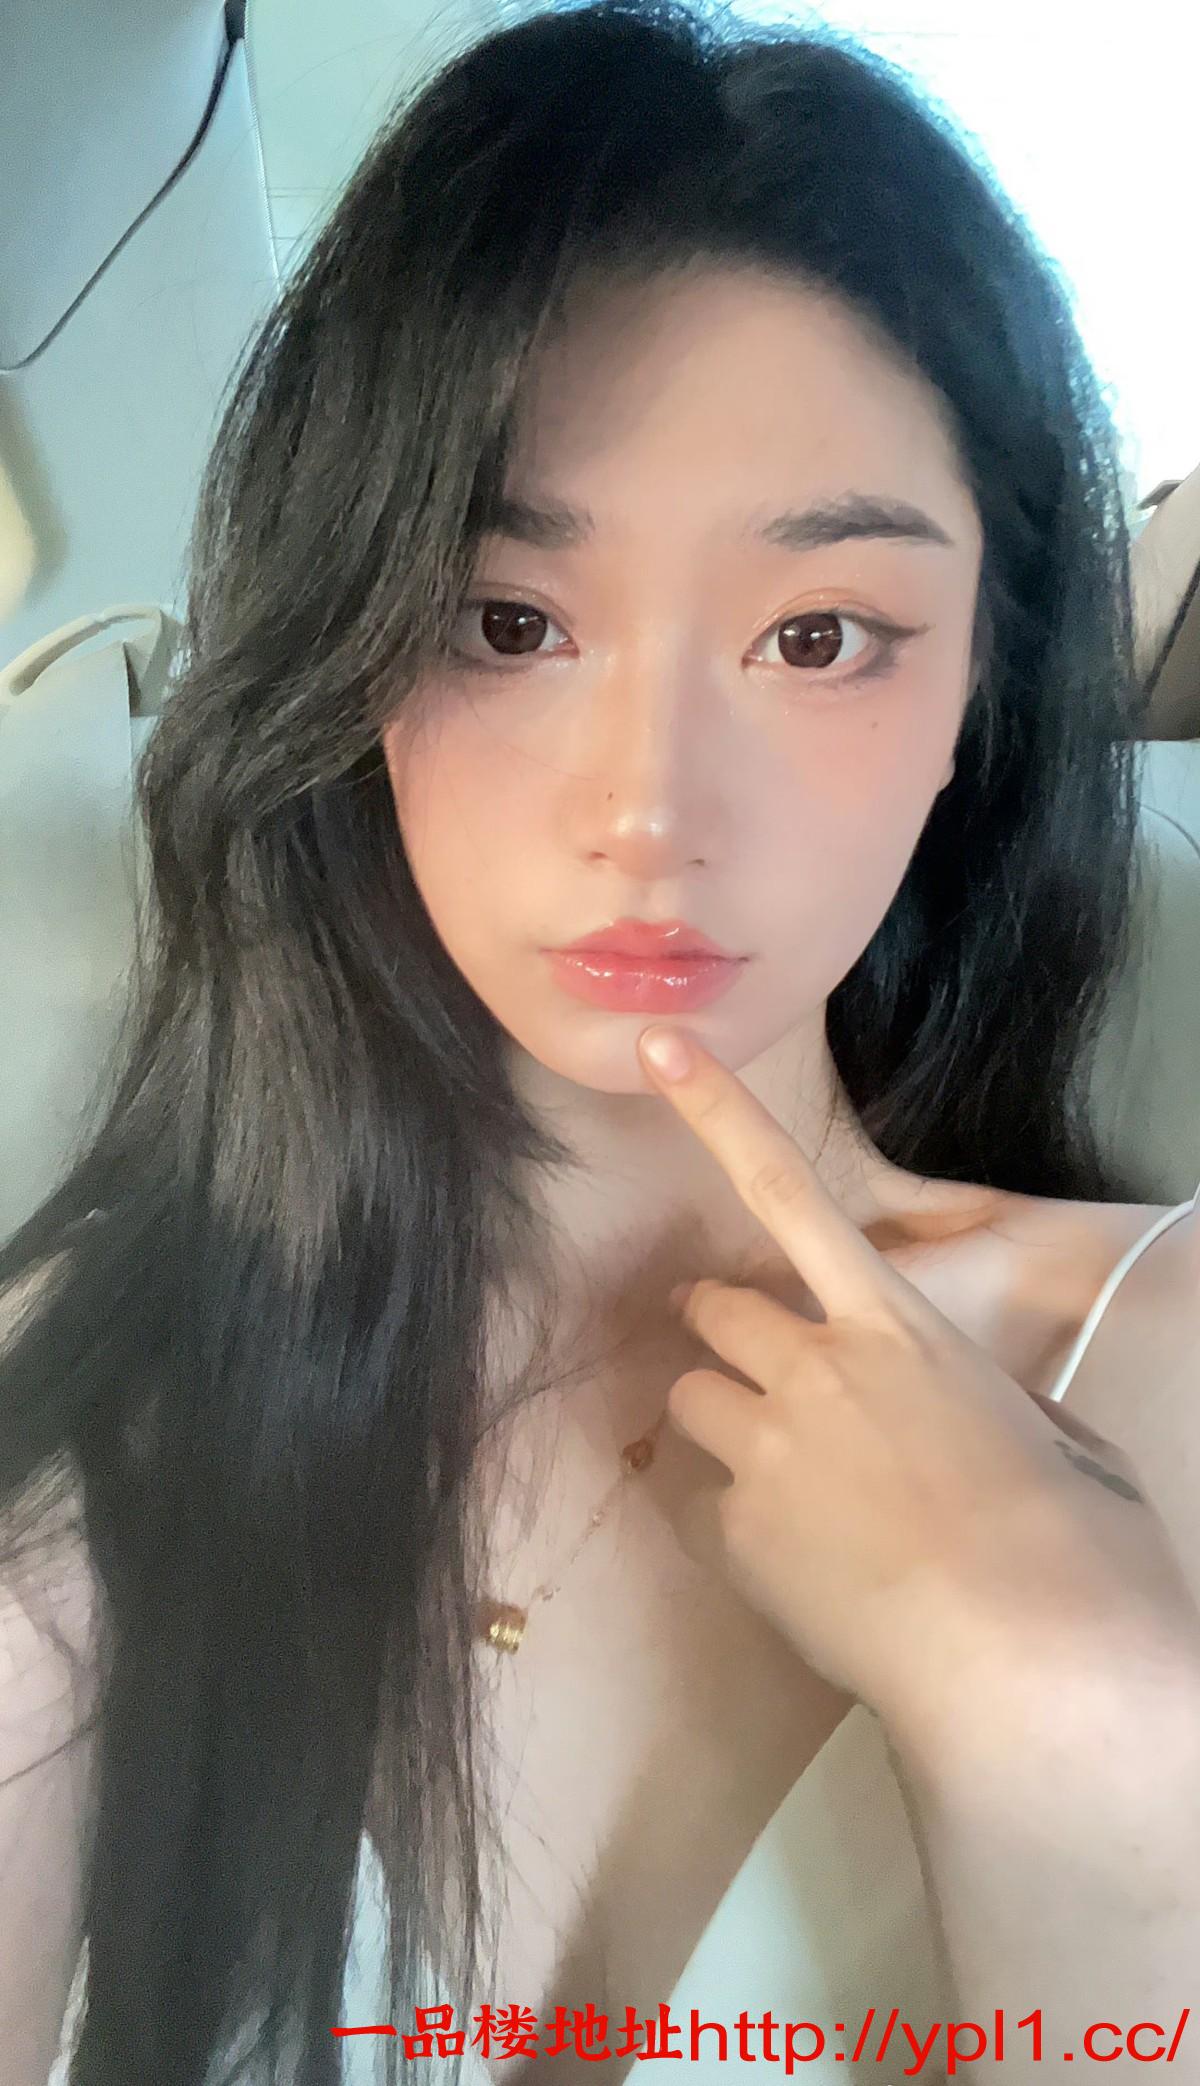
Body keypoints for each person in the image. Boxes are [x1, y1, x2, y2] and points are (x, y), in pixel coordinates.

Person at [2, 1, 1199, 2080]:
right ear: (349, 663)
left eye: (817, 635)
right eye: (508, 623)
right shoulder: (104, 1387)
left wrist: (1082, 1753)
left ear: (974, 702)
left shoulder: (1164, 1357)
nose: (648, 807)